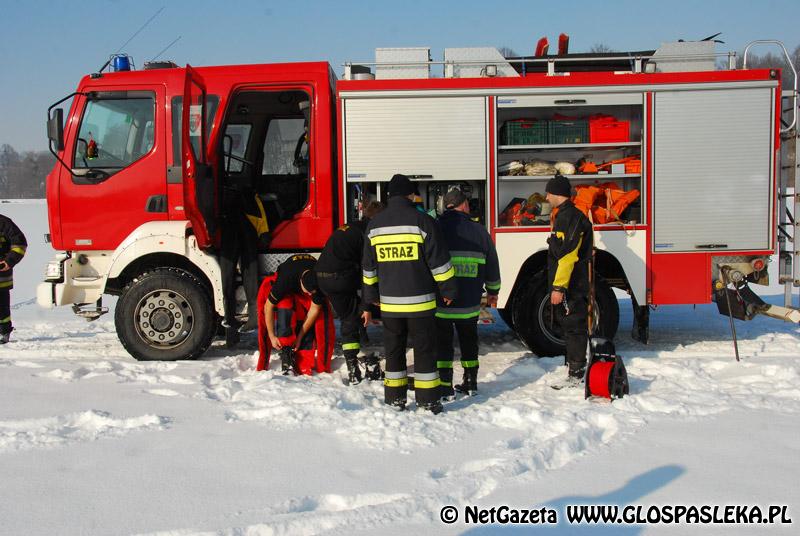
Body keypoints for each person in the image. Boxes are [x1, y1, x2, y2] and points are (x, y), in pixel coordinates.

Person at [362, 174, 458, 414]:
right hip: (421, 304)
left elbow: (368, 266)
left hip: (391, 306)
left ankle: (395, 399)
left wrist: (370, 294)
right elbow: (439, 262)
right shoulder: (422, 222)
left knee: (394, 352)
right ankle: (428, 401)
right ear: (409, 194)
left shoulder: (374, 225)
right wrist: (448, 289)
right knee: (425, 352)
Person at [434, 188, 501, 399]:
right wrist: (493, 292)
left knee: (443, 344)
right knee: (469, 341)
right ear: (464, 205)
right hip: (470, 302)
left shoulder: (436, 228)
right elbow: (492, 264)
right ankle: (470, 382)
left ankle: (445, 386)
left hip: (442, 301)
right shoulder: (480, 231)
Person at [315, 201, 385, 385]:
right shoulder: (367, 233)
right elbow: (367, 270)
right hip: (341, 277)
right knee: (365, 304)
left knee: (349, 317)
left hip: (323, 278)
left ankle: (354, 365)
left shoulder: (350, 227)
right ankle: (364, 355)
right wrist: (368, 305)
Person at [545, 173, 593, 385]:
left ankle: (576, 375)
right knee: (570, 325)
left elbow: (567, 257)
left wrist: (559, 288)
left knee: (574, 326)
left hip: (572, 285)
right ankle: (574, 369)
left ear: (557, 194)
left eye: (549, 193)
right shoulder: (565, 216)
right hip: (571, 283)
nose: (546, 198)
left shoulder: (570, 218)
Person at [256, 254, 334, 375]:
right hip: (289, 274)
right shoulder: (285, 280)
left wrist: (300, 337)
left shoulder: (318, 284)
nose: (309, 294)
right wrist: (271, 336)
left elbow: (314, 311)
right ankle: (286, 351)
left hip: (307, 272)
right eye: (307, 291)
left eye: (311, 293)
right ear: (301, 282)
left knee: (322, 318)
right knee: (285, 306)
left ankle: (308, 359)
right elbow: (268, 306)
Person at [220, 186, 270, 348]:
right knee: (249, 272)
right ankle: (248, 319)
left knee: (227, 277)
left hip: (229, 231)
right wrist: (263, 233)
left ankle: (230, 321)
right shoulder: (249, 196)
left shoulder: (223, 198)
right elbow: (261, 217)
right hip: (246, 231)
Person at [0, 214, 27, 344]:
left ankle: (4, 332)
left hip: (1, 277)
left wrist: (9, 261)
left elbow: (19, 244)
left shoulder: (4, 222)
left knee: (1, 307)